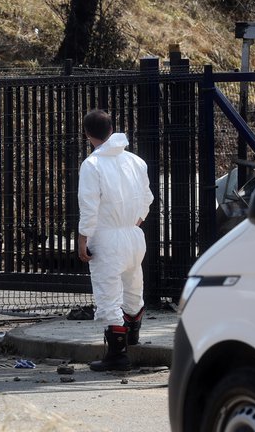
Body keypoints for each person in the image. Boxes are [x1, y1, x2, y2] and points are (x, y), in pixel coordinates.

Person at [77, 109, 154, 372]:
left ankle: (117, 355)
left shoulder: (92, 165)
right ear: (111, 129)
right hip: (133, 234)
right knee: (134, 286)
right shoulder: (136, 161)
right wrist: (136, 220)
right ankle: (132, 336)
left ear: (87, 134)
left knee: (108, 295)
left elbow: (89, 207)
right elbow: (147, 198)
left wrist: (82, 238)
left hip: (107, 237)